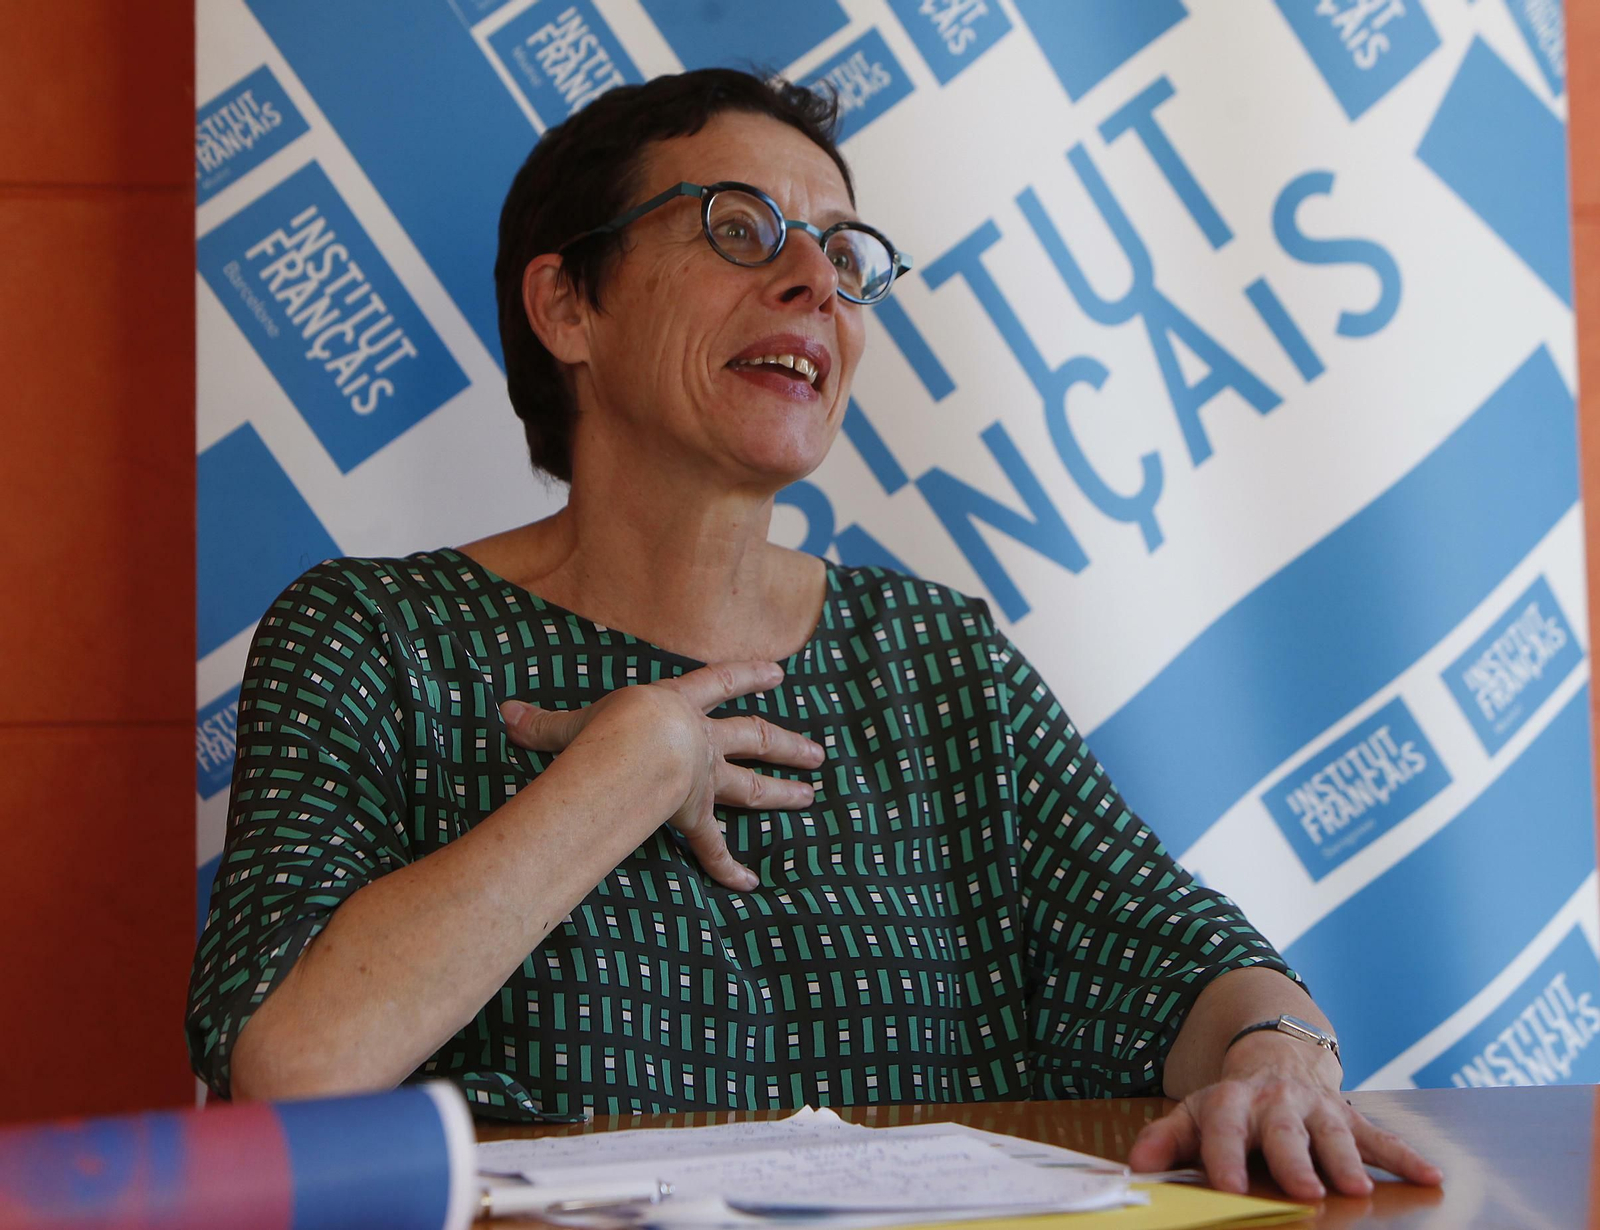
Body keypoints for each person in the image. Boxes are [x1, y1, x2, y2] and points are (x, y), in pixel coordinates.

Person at [187, 68, 1440, 1201]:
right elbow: (295, 1069)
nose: (811, 283)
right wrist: (624, 773)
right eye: (740, 230)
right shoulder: (378, 637)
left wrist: (1282, 1057)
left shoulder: (936, 661)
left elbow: (1190, 961)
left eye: (845, 255)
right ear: (569, 306)